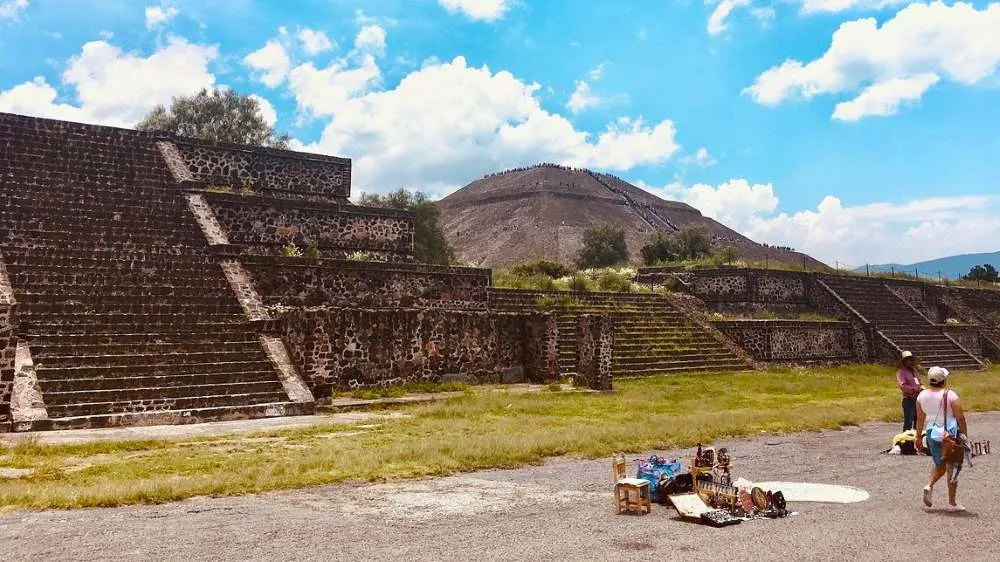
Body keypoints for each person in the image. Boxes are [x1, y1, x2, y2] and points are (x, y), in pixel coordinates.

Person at [914, 366, 968, 511]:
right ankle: (952, 502)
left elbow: (920, 418)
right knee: (953, 466)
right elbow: (960, 418)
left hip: (932, 433)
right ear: (943, 380)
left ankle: (929, 485)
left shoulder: (921, 396)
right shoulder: (951, 395)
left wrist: (918, 436)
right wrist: (964, 435)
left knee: (940, 465)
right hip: (949, 434)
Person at [896, 351, 923, 431]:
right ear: (904, 361)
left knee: (917, 420)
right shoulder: (901, 372)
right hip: (909, 400)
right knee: (908, 422)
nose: (910, 361)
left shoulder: (914, 371)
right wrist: (916, 389)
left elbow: (919, 382)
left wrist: (922, 387)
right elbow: (903, 386)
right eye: (908, 360)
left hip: (918, 399)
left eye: (911, 359)